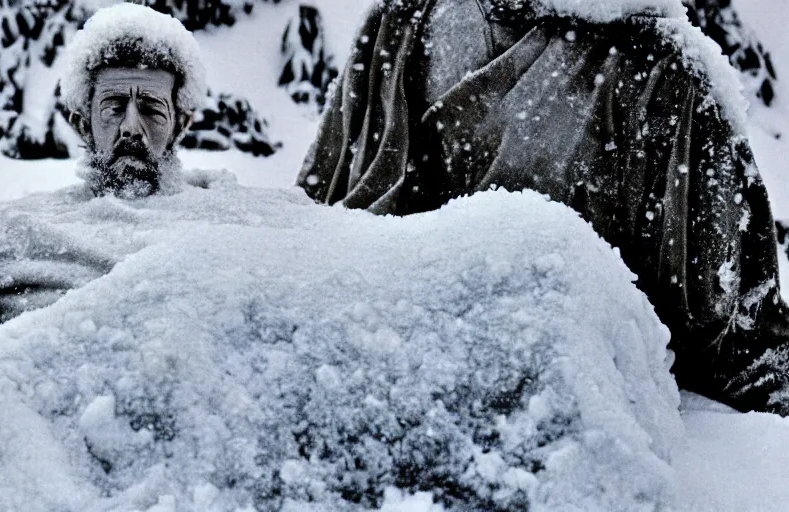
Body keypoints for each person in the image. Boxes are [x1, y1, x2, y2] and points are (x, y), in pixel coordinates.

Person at [297, 0, 789, 415]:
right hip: (408, 394)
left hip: (530, 418)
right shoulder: (403, 19)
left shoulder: (662, 73)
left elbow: (304, 230)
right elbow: (733, 338)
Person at [0, 3, 207, 342]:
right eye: (113, 107)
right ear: (82, 124)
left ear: (181, 123)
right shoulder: (15, 232)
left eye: (151, 109)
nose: (131, 126)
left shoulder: (233, 217)